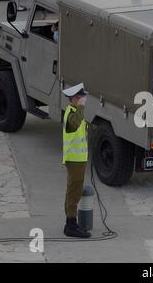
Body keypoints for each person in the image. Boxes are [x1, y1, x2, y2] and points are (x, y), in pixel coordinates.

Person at [62, 83, 91, 238]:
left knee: (74, 191)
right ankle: (71, 226)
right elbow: (74, 124)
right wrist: (80, 107)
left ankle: (71, 224)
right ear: (74, 99)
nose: (84, 100)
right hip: (74, 160)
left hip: (78, 159)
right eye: (81, 98)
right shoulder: (72, 114)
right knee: (74, 192)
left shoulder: (73, 111)